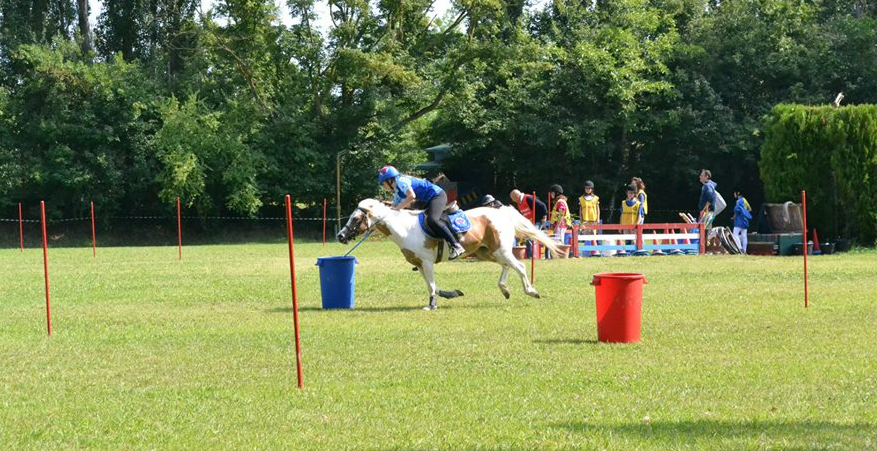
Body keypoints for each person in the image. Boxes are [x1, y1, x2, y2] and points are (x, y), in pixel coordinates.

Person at [378, 165, 466, 259]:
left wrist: (398, 208)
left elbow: (411, 196)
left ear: (389, 180)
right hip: (429, 200)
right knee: (419, 223)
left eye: (383, 184)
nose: (384, 187)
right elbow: (394, 206)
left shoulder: (401, 181)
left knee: (432, 220)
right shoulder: (398, 191)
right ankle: (423, 254)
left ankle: (456, 245)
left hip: (437, 196)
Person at [510, 189, 548, 257]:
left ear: (517, 196)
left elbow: (542, 205)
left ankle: (531, 256)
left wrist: (544, 216)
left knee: (530, 238)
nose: (512, 200)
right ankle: (529, 256)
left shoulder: (528, 198)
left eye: (513, 198)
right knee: (529, 238)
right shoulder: (519, 203)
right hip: (530, 223)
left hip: (538, 221)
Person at [548, 184, 571, 258]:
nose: (551, 194)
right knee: (558, 241)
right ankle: (559, 256)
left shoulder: (560, 202)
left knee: (559, 242)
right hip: (560, 225)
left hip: (560, 225)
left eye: (552, 193)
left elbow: (561, 214)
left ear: (556, 193)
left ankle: (560, 256)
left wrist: (556, 227)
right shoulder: (559, 201)